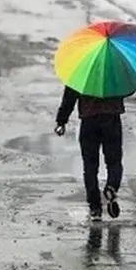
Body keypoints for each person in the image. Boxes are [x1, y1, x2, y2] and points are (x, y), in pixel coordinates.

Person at [55, 85, 124, 221]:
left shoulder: (82, 72)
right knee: (114, 161)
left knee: (90, 166)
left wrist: (61, 121)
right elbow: (127, 90)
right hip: (112, 119)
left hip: (89, 121)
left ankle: (95, 208)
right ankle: (112, 186)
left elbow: (70, 96)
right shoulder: (115, 72)